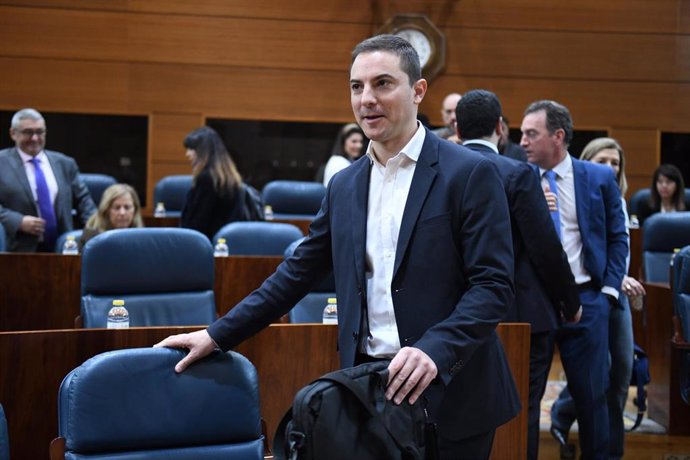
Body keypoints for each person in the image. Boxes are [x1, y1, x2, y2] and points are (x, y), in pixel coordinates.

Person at [157, 34, 519, 459]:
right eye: (356, 86)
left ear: (418, 90)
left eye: (383, 83)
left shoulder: (469, 173)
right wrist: (217, 335)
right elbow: (296, 273)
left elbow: (493, 286)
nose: (367, 98)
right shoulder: (344, 184)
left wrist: (433, 350)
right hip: (366, 391)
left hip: (453, 394)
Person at [455, 89, 581, 460]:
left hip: (453, 315)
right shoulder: (517, 173)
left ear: (457, 129)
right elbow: (544, 248)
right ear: (500, 127)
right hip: (519, 313)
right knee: (521, 406)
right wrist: (569, 302)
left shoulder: (441, 170)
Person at [520, 100, 628, 459]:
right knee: (526, 398)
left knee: (592, 396)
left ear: (558, 137)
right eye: (522, 133)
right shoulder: (517, 178)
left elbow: (618, 235)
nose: (523, 141)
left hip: (589, 299)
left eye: (531, 134)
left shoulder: (597, 177)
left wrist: (610, 291)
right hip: (536, 302)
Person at [550, 137, 645, 459]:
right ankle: (565, 417)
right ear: (588, 161)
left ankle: (602, 444)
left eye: (615, 163)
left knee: (619, 373)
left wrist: (617, 281)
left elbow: (620, 246)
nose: (609, 168)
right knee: (597, 376)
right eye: (602, 161)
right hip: (595, 290)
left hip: (612, 293)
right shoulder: (577, 190)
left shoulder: (619, 198)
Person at [0, 108, 96, 252]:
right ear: (13, 133)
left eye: (39, 132)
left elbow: (85, 203)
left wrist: (94, 233)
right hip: (17, 250)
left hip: (63, 248)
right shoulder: (2, 162)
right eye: (28, 132)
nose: (35, 138)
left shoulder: (65, 163)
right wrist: (17, 221)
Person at [180, 126, 246, 241]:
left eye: (191, 149)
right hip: (224, 243)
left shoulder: (206, 179)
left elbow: (197, 222)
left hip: (204, 244)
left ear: (202, 151)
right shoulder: (229, 178)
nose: (187, 154)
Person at [80, 183, 144, 248]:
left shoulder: (142, 237)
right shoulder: (92, 235)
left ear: (135, 210)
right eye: (117, 207)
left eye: (127, 207)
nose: (122, 213)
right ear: (106, 210)